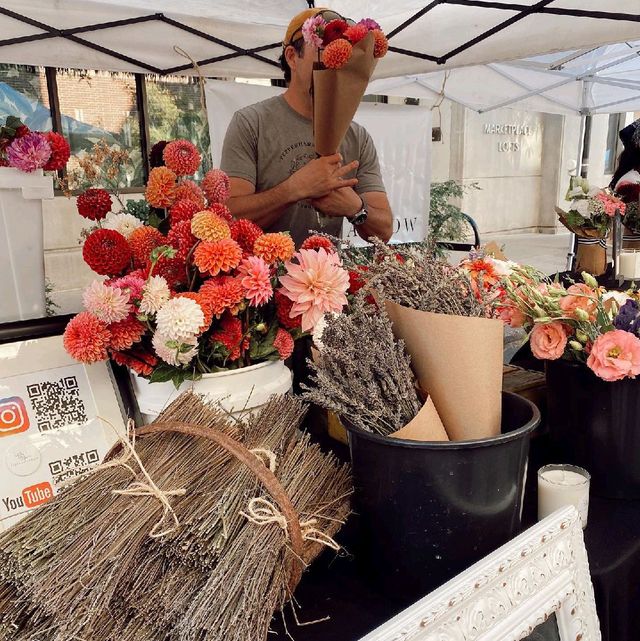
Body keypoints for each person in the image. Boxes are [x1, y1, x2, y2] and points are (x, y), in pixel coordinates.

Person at [220, 8, 393, 247]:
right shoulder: (251, 123)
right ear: (292, 57)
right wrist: (294, 189)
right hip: (260, 280)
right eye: (327, 51)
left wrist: (356, 208)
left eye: (346, 54)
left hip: (327, 280)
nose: (338, 63)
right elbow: (228, 218)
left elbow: (384, 230)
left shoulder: (357, 137)